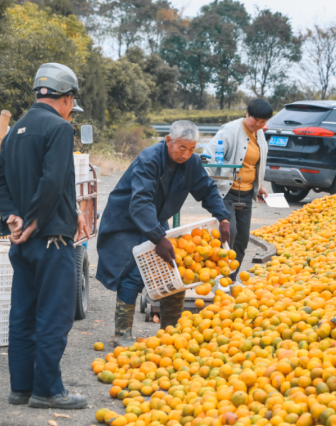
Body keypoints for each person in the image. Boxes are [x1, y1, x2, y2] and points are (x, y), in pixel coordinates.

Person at [0, 63, 89, 410]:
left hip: (23, 245)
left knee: (23, 315)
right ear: (66, 98)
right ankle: (48, 390)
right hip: (51, 242)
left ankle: (21, 387)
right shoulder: (60, 129)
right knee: (54, 316)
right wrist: (33, 221)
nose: (70, 112)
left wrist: (13, 217)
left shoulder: (15, 129)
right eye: (71, 104)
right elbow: (50, 183)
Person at [96, 120, 232, 348]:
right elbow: (140, 202)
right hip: (126, 220)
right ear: (169, 141)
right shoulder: (149, 160)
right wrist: (158, 238)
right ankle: (122, 334)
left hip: (155, 219)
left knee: (172, 269)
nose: (187, 154)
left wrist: (223, 217)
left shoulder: (192, 162)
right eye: (182, 148)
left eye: (192, 149)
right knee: (132, 272)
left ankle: (170, 330)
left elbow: (207, 189)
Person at [202, 98, 272, 279]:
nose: (258, 124)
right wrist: (205, 186)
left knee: (241, 240)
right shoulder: (230, 131)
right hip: (226, 192)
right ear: (247, 114)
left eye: (263, 122)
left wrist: (259, 186)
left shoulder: (259, 133)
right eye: (255, 119)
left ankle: (231, 279)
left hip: (247, 194)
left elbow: (255, 163)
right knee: (228, 234)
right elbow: (207, 158)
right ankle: (217, 278)